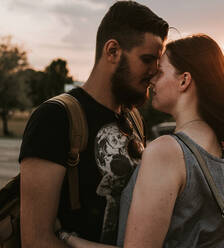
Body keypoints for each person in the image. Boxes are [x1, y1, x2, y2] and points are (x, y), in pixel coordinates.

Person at [62, 34, 224, 248]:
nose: (152, 80)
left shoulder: (167, 151)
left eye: (160, 72)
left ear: (184, 80)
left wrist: (68, 238)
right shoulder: (214, 144)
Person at [18, 1, 169, 247]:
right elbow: (36, 240)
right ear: (112, 51)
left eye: (158, 63)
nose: (155, 71)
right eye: (147, 59)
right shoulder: (54, 117)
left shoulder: (134, 119)